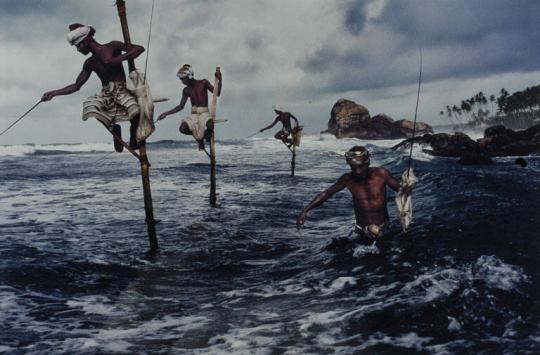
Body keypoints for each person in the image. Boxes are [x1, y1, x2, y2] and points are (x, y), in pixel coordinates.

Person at [41, 23, 145, 152]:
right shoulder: (89, 62)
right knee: (90, 105)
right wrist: (54, 93)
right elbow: (76, 85)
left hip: (123, 89)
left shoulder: (112, 46)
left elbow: (139, 49)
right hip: (106, 92)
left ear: (87, 40)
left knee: (135, 110)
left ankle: (134, 139)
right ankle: (114, 130)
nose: (78, 50)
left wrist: (118, 59)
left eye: (78, 46)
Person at [297, 146, 412, 240]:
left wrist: (406, 189)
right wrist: (306, 210)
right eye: (353, 168)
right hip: (362, 231)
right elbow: (327, 193)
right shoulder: (347, 179)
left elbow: (401, 190)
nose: (357, 172)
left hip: (384, 229)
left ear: (367, 162)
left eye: (360, 167)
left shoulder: (381, 174)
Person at [157, 64, 222, 150]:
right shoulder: (186, 90)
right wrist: (166, 113)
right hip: (194, 115)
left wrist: (220, 79)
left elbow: (217, 93)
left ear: (189, 76)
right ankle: (200, 140)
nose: (182, 81)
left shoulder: (203, 82)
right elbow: (180, 106)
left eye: (183, 79)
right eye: (181, 79)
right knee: (182, 128)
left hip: (204, 113)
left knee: (210, 126)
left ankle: (204, 137)